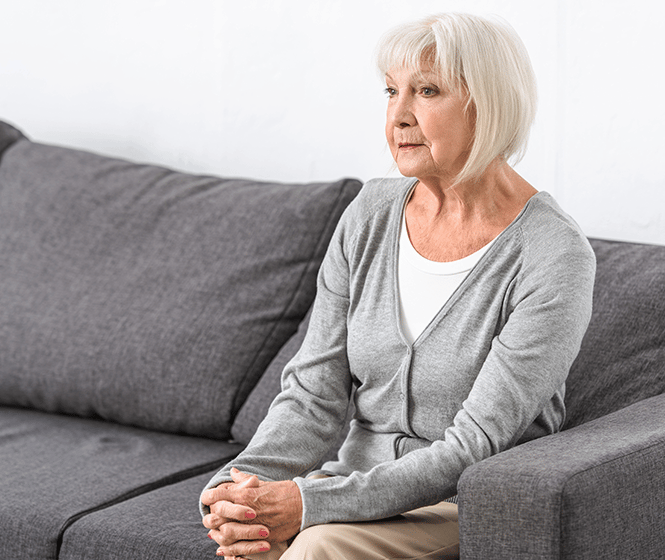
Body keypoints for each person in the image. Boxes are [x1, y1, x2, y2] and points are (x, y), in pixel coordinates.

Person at [201, 12, 596, 560]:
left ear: (487, 104)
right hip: (348, 486)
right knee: (250, 545)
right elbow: (313, 394)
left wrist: (307, 506)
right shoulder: (369, 214)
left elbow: (473, 447)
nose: (399, 115)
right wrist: (237, 488)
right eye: (392, 91)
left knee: (318, 549)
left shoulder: (553, 255)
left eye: (427, 91)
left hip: (459, 501)